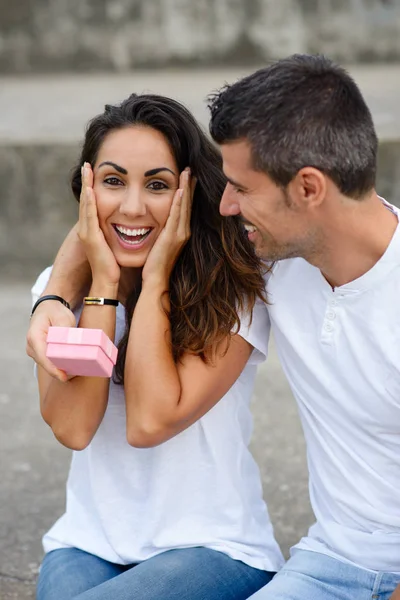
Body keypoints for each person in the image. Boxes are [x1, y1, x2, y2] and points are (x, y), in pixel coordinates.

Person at [30, 93, 284, 600]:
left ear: (189, 192)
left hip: (212, 549)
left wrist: (157, 277)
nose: (131, 206)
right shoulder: (60, 295)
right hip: (87, 544)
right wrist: (103, 281)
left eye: (158, 185)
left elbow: (149, 422)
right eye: (113, 181)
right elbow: (74, 426)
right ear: (87, 187)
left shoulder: (232, 294)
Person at [207, 54, 400, 599]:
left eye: (242, 189)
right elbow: (126, 215)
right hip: (329, 563)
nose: (225, 206)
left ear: (309, 188)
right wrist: (54, 297)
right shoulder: (271, 253)